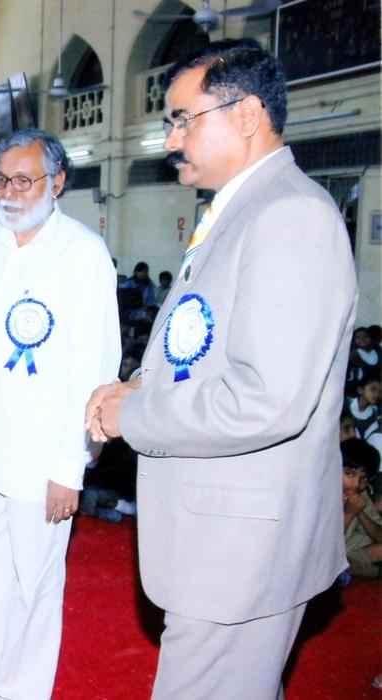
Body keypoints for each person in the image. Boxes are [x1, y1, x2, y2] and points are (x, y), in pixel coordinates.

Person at [86, 40, 357, 699]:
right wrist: (141, 385)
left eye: (183, 119)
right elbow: (214, 353)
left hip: (240, 546)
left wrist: (134, 413)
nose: (170, 140)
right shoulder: (243, 209)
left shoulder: (288, 215)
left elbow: (267, 399)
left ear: (246, 115)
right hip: (221, 537)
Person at [0, 127, 121, 700]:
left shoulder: (84, 253)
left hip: (43, 454)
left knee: (34, 582)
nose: (10, 192)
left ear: (57, 182)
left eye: (24, 181)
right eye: (2, 180)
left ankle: (24, 693)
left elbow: (98, 366)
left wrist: (72, 466)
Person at [341, 438, 382, 579]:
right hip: (325, 555)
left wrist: (360, 512)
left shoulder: (360, 493)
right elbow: (323, 544)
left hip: (350, 552)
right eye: (349, 473)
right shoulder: (323, 494)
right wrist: (349, 512)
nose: (355, 484)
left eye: (363, 478)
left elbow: (380, 536)